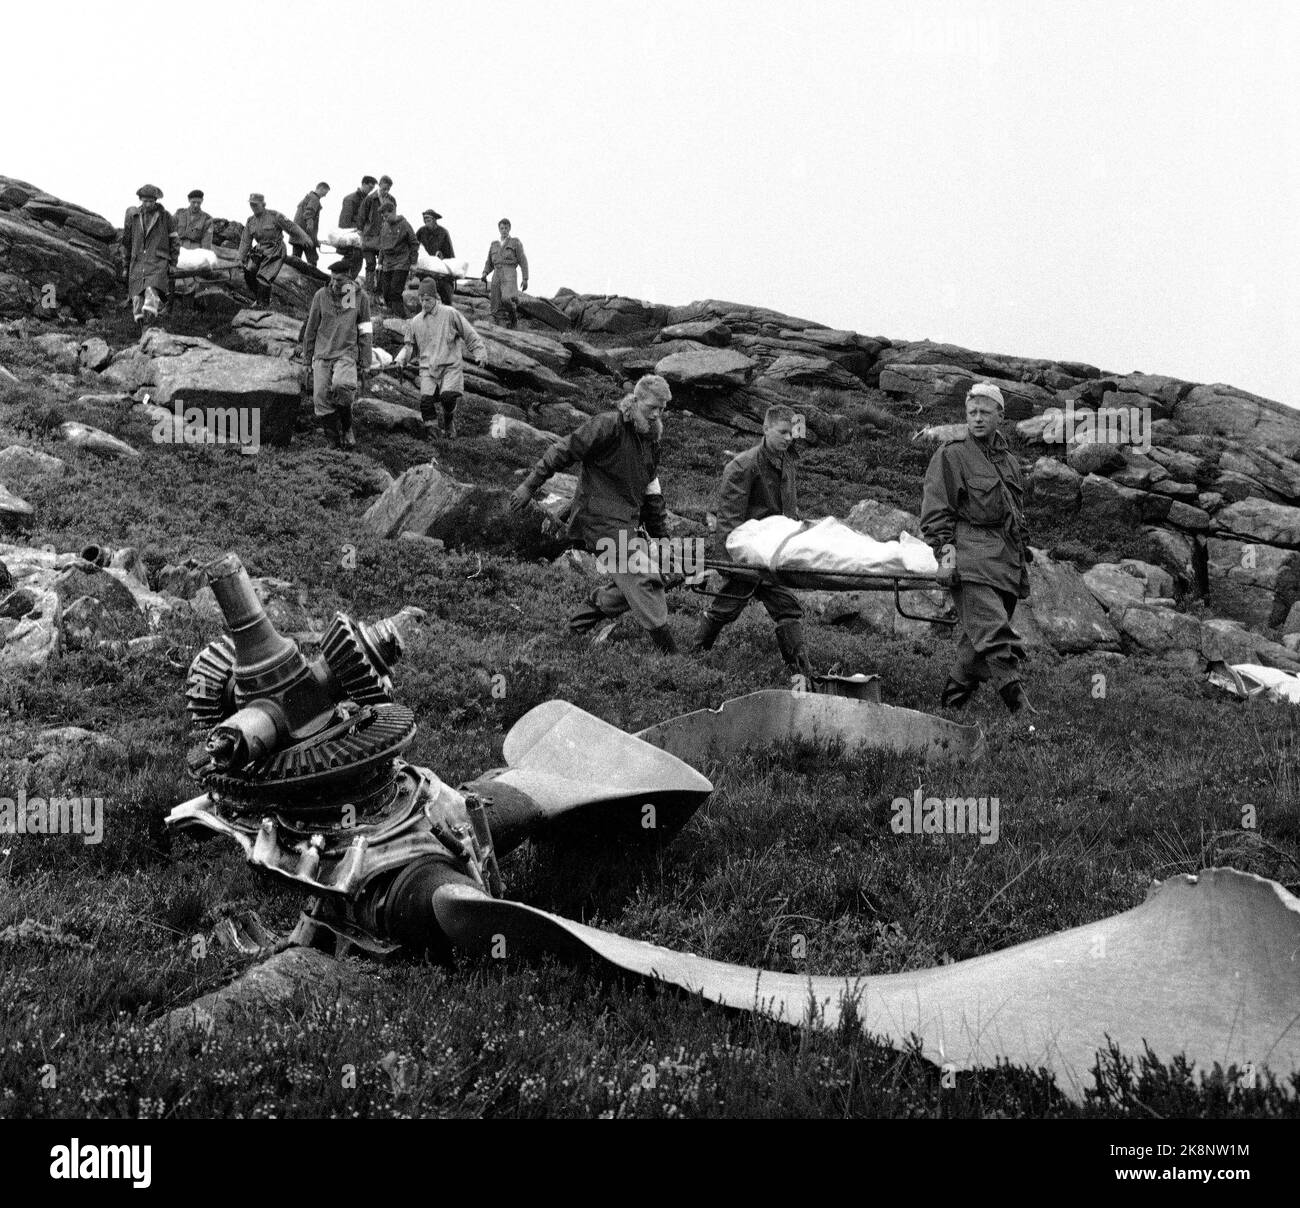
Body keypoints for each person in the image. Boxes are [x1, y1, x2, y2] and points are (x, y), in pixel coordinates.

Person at [508, 375, 678, 654]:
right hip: (598, 521)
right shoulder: (609, 425)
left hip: (626, 526)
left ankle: (575, 627)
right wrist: (529, 485)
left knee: (639, 579)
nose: (657, 414)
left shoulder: (650, 440)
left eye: (662, 409)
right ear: (634, 401)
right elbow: (563, 450)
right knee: (644, 576)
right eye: (652, 407)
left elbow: (652, 494)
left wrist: (661, 538)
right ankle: (671, 655)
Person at [920, 382, 1035, 714]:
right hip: (971, 561)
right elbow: (936, 513)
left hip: (1006, 564)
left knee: (975, 643)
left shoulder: (1009, 462)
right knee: (995, 634)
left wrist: (1022, 550)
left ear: (1001, 415)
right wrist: (946, 559)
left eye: (986, 412)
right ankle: (1023, 715)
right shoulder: (951, 455)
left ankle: (950, 708)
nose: (978, 418)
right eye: (972, 413)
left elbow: (1016, 512)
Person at [693, 404, 812, 677]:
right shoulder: (743, 466)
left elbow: (788, 509)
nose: (788, 438)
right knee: (727, 608)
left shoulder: (788, 461)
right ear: (765, 429)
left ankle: (799, 669)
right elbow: (729, 520)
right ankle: (695, 653)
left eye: (792, 433)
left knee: (786, 607)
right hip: (747, 555)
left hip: (772, 552)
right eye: (782, 432)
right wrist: (734, 563)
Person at [394, 278, 487, 438]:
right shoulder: (415, 322)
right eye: (421, 300)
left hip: (450, 366)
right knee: (426, 403)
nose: (424, 303)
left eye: (428, 299)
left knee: (448, 397)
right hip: (427, 369)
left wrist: (479, 353)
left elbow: (469, 334)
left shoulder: (450, 313)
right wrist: (400, 359)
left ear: (436, 297)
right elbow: (410, 346)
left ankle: (449, 422)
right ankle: (435, 437)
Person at [301, 261, 374, 450]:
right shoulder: (321, 296)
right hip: (322, 353)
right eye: (332, 279)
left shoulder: (360, 298)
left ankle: (347, 427)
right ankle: (333, 441)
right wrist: (307, 359)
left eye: (340, 280)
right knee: (320, 398)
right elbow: (311, 329)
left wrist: (366, 360)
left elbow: (365, 330)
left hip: (346, 353)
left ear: (349, 276)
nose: (335, 284)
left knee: (343, 386)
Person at [238, 193, 312, 307]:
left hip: (276, 249)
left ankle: (263, 305)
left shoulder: (275, 216)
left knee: (263, 276)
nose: (253, 207)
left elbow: (291, 227)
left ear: (263, 204)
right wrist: (240, 258)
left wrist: (304, 237)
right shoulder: (250, 221)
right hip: (260, 249)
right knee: (249, 272)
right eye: (251, 205)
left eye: (256, 205)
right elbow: (245, 241)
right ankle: (260, 298)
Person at [122, 184, 179, 329]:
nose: (148, 204)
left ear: (156, 201)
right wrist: (125, 265)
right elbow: (126, 243)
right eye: (145, 201)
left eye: (151, 201)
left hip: (157, 262)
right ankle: (143, 331)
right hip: (138, 263)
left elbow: (174, 241)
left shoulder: (165, 217)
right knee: (137, 300)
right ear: (141, 199)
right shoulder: (133, 216)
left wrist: (173, 263)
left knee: (151, 293)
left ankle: (149, 328)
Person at [171, 189, 212, 313]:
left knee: (190, 278)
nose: (196, 205)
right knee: (173, 277)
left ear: (202, 202)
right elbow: (171, 232)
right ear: (189, 200)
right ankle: (171, 308)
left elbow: (206, 241)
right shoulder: (179, 214)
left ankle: (188, 309)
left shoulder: (206, 218)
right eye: (193, 202)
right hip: (178, 248)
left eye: (198, 203)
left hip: (194, 250)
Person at [481, 218, 528, 327]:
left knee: (507, 299)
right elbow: (489, 262)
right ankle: (501, 325)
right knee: (495, 304)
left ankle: (513, 317)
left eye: (506, 228)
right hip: (496, 273)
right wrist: (485, 272)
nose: (504, 230)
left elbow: (523, 260)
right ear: (499, 229)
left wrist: (525, 278)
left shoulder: (515, 242)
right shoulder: (494, 244)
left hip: (509, 273)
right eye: (502, 228)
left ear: (509, 229)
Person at [376, 200, 417, 317]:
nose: (385, 218)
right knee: (386, 292)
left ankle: (401, 316)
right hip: (387, 264)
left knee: (395, 291)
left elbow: (414, 243)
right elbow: (382, 246)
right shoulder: (384, 226)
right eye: (383, 216)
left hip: (401, 262)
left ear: (393, 212)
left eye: (387, 215)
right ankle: (390, 314)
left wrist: (413, 263)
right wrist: (379, 262)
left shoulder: (404, 224)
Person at [357, 174, 395, 294]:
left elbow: (393, 218)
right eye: (384, 188)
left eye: (388, 189)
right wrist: (360, 233)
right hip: (369, 237)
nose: (386, 191)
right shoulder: (370, 199)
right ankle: (368, 290)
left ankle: (379, 292)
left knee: (383, 265)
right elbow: (362, 216)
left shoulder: (392, 200)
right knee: (370, 264)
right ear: (379, 185)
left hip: (384, 239)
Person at [336, 174, 376, 277]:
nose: (371, 190)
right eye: (370, 187)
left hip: (360, 240)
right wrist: (348, 239)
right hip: (351, 239)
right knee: (349, 264)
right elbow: (344, 222)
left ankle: (348, 287)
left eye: (373, 188)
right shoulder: (351, 199)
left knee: (357, 265)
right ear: (363, 184)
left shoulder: (367, 200)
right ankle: (342, 286)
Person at [416, 208, 456, 305]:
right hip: (425, 270)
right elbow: (414, 245)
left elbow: (449, 254)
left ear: (434, 220)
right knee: (426, 296)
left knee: (446, 297)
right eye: (425, 220)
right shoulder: (421, 231)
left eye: (428, 220)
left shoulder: (443, 233)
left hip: (440, 271)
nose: (426, 222)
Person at [292, 181, 330, 266]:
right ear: (321, 188)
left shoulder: (308, 197)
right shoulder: (314, 199)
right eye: (325, 192)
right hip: (306, 236)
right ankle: (313, 278)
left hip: (296, 234)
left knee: (295, 259)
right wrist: (312, 238)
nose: (325, 195)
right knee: (313, 259)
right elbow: (309, 213)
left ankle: (291, 277)